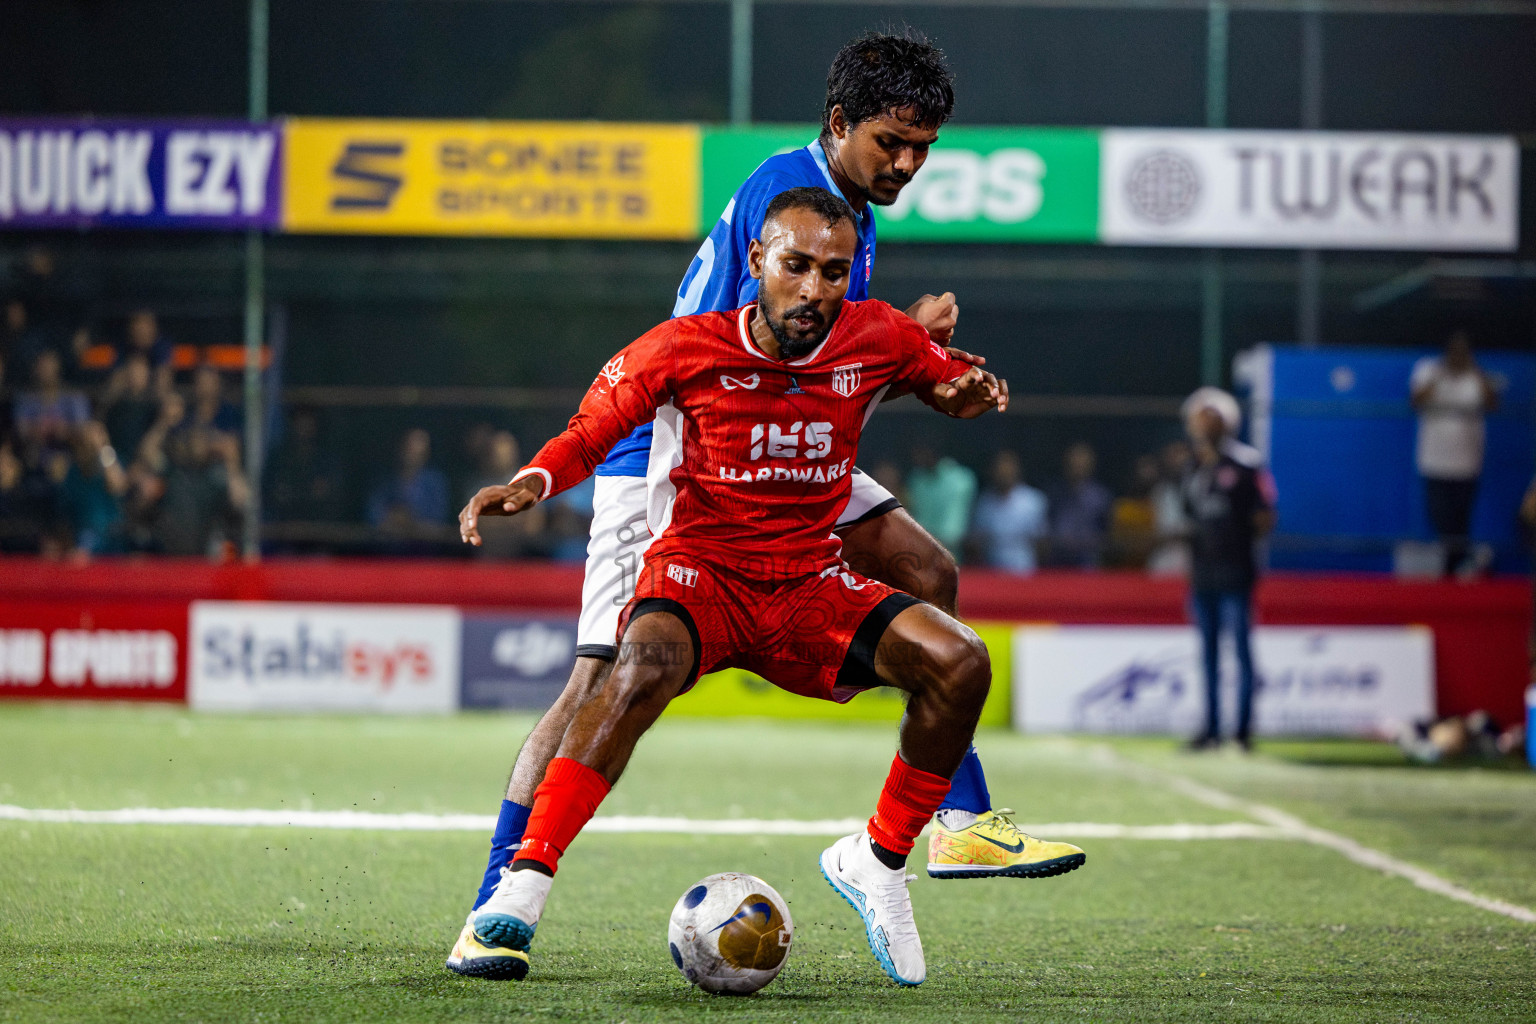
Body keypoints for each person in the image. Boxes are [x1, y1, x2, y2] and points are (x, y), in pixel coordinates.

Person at [445, 27, 1078, 983]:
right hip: (668, 448)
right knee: (604, 680)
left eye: (921, 148)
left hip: (779, 446)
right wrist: (545, 474)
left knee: (928, 571)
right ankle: (501, 896)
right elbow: (731, 355)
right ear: (840, 126)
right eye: (891, 144)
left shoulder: (848, 212)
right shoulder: (788, 201)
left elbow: (828, 359)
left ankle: (951, 818)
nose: (905, 165)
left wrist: (925, 360)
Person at [1180, 387, 1277, 752]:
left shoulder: (1246, 464)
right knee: (1207, 654)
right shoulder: (1193, 466)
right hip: (1203, 571)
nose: (1203, 425)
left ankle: (1242, 731)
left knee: (1240, 650)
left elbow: (1265, 514)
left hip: (1236, 570)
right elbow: (1189, 513)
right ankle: (1211, 729)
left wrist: (1239, 537)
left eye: (1211, 417)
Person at [1410, 330, 1499, 577]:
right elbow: (1415, 401)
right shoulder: (1429, 369)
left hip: (1467, 462)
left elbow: (1493, 404)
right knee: (1440, 519)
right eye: (1455, 350)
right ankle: (1463, 565)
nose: (1459, 355)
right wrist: (1442, 373)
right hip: (1434, 461)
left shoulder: (1477, 375)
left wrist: (1476, 372)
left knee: (1461, 522)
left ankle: (1453, 573)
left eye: (1464, 350)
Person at [967, 449, 1047, 573]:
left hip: (1025, 573)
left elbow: (1042, 544)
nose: (1004, 472)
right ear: (992, 471)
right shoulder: (984, 503)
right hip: (992, 574)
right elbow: (977, 542)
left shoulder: (1033, 501)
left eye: (1008, 467)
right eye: (1000, 468)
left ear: (1017, 469)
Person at [366, 428, 449, 539]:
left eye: (419, 450)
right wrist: (393, 519)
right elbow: (372, 514)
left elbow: (438, 520)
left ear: (426, 453)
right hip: (389, 549)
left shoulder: (435, 483)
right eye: (409, 448)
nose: (413, 453)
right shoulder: (386, 481)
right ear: (401, 449)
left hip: (425, 551)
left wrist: (409, 522)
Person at [1046, 441, 1112, 568]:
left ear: (1090, 465)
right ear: (1066, 464)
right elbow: (1047, 526)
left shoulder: (1101, 496)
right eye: (1073, 462)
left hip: (1087, 561)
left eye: (1081, 462)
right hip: (1058, 559)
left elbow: (1106, 533)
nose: (1077, 465)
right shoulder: (1054, 494)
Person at [905, 444, 977, 557]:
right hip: (920, 552)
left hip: (951, 552)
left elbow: (954, 528)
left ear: (930, 452)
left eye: (920, 453)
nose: (916, 458)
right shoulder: (915, 479)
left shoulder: (961, 479)